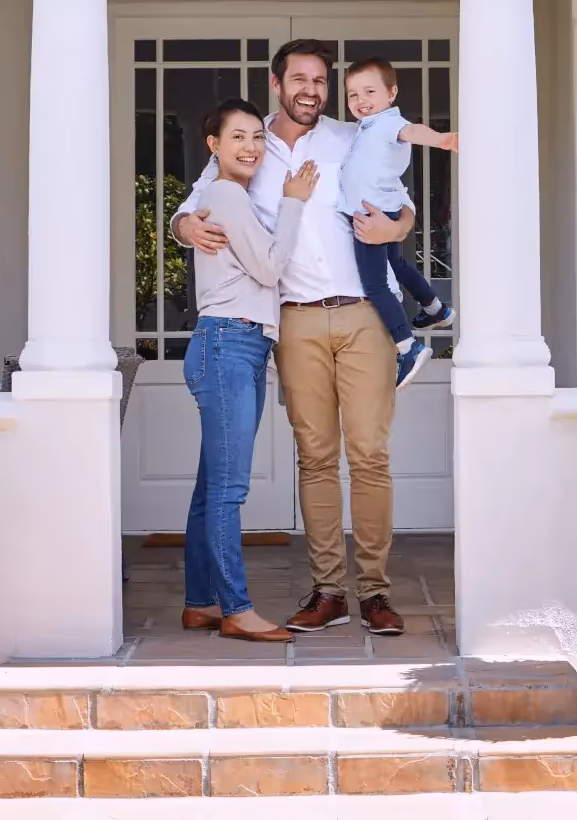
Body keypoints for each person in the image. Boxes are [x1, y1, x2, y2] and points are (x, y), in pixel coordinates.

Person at [174, 40, 415, 637]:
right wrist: (185, 226)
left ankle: (376, 592)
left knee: (370, 456)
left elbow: (402, 207)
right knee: (315, 458)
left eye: (321, 81)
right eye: (300, 79)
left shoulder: (351, 138)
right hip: (295, 318)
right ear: (276, 84)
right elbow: (192, 209)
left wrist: (396, 225)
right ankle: (328, 590)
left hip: (362, 313)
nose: (312, 90)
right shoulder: (248, 147)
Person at [181, 97, 320, 644]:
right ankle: (236, 608)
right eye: (237, 136)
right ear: (213, 146)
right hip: (228, 344)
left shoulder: (225, 197)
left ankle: (200, 603)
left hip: (233, 345)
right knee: (229, 490)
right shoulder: (224, 194)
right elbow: (268, 266)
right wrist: (292, 203)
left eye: (257, 137)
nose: (250, 146)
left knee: (209, 488)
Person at [341, 56, 458, 389]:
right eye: (353, 95)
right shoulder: (367, 128)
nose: (360, 101)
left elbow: (412, 131)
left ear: (391, 94)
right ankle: (436, 309)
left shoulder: (389, 123)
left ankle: (407, 347)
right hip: (383, 209)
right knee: (398, 263)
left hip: (372, 216)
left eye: (369, 92)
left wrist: (441, 139)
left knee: (375, 284)